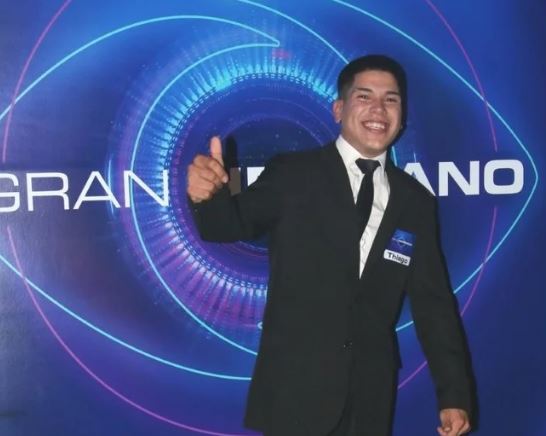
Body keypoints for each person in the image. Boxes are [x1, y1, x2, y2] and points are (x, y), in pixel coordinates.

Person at [187, 55, 474, 436]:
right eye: (364, 96)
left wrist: (454, 394)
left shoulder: (415, 202)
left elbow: (433, 303)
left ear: (402, 116)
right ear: (339, 109)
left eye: (390, 100)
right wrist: (207, 197)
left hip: (369, 397)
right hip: (295, 394)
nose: (378, 109)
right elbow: (228, 225)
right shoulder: (293, 174)